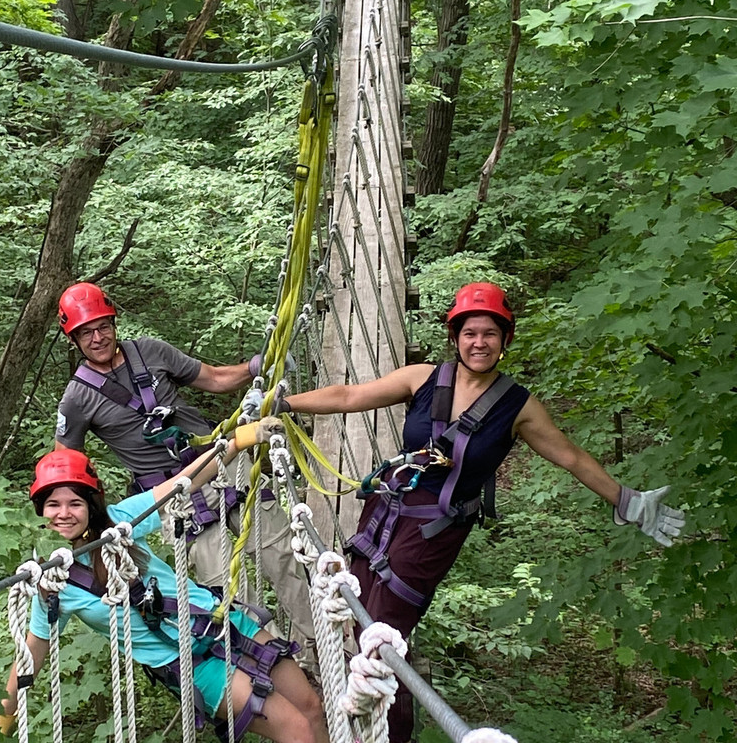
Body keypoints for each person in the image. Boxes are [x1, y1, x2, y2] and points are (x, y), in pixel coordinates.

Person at [278, 282, 686, 743]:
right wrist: (287, 404)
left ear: (504, 340)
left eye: (489, 333)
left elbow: (569, 455)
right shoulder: (423, 378)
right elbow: (351, 396)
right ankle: (374, 725)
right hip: (383, 514)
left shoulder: (518, 407)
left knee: (383, 630)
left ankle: (390, 734)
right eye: (470, 333)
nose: (479, 343)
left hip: (433, 531)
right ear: (456, 337)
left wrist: (625, 499)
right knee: (360, 618)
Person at [0, 417, 330, 743]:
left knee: (312, 708)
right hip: (187, 662)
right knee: (296, 730)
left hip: (221, 621)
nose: (64, 513)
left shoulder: (121, 523)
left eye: (74, 503)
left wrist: (241, 438)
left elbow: (185, 481)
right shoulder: (53, 584)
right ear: (41, 510)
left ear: (91, 504)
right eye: (53, 504)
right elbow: (30, 657)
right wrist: (0, 724)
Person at [53, 282, 316, 645]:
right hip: (176, 497)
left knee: (284, 555)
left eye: (103, 326)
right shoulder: (77, 399)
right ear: (74, 339)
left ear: (114, 322)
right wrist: (85, 522)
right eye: (85, 333)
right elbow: (66, 469)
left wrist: (257, 365)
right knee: (227, 591)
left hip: (222, 462)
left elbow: (215, 378)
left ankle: (332, 650)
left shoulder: (150, 351)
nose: (97, 338)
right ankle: (282, 668)